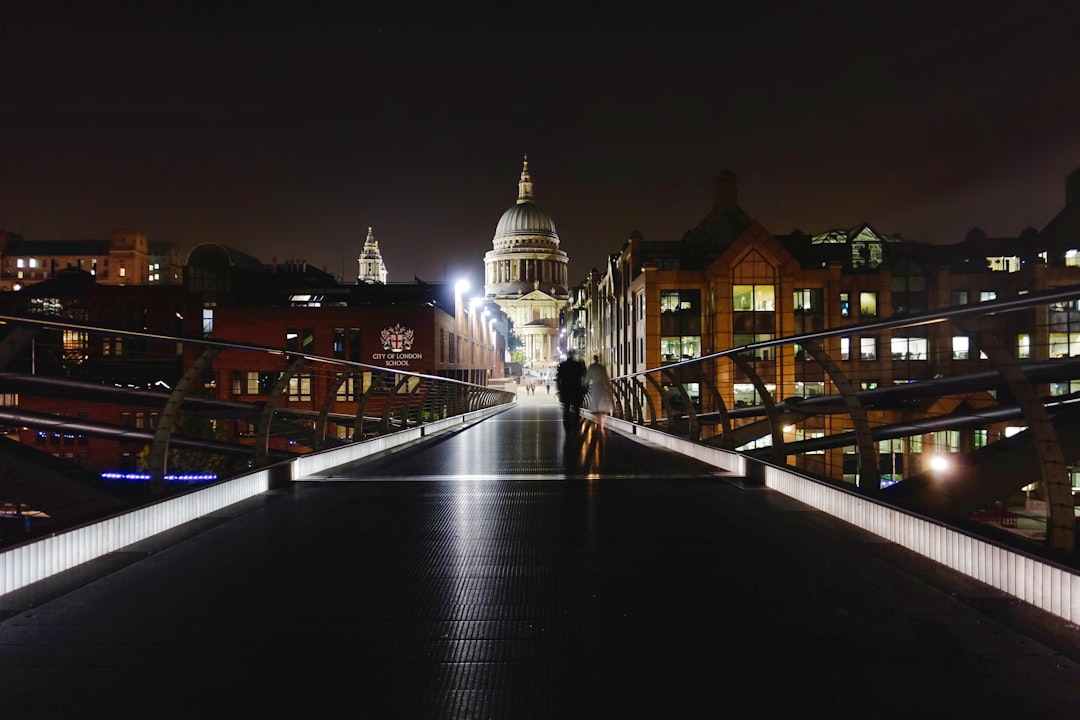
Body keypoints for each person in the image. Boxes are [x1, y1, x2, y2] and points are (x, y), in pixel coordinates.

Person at [555, 349, 586, 434]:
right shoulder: (578, 365)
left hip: (566, 390)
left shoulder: (562, 365)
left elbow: (558, 378)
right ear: (574, 355)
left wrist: (559, 389)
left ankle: (567, 428)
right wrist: (584, 388)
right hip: (576, 389)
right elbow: (583, 376)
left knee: (566, 409)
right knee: (576, 409)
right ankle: (576, 426)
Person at [584, 354, 614, 431]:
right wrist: (609, 386)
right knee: (602, 400)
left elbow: (588, 378)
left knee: (595, 400)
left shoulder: (591, 367)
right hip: (602, 385)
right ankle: (601, 418)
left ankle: (597, 420)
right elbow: (606, 377)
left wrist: (585, 384)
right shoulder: (602, 367)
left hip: (595, 386)